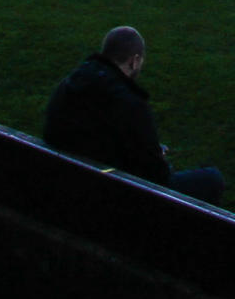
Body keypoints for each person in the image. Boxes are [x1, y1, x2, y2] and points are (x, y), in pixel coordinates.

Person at [42, 26, 223, 204]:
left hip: (65, 184)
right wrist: (157, 156)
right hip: (109, 198)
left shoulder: (69, 85)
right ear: (134, 61)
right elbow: (158, 177)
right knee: (212, 179)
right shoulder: (130, 103)